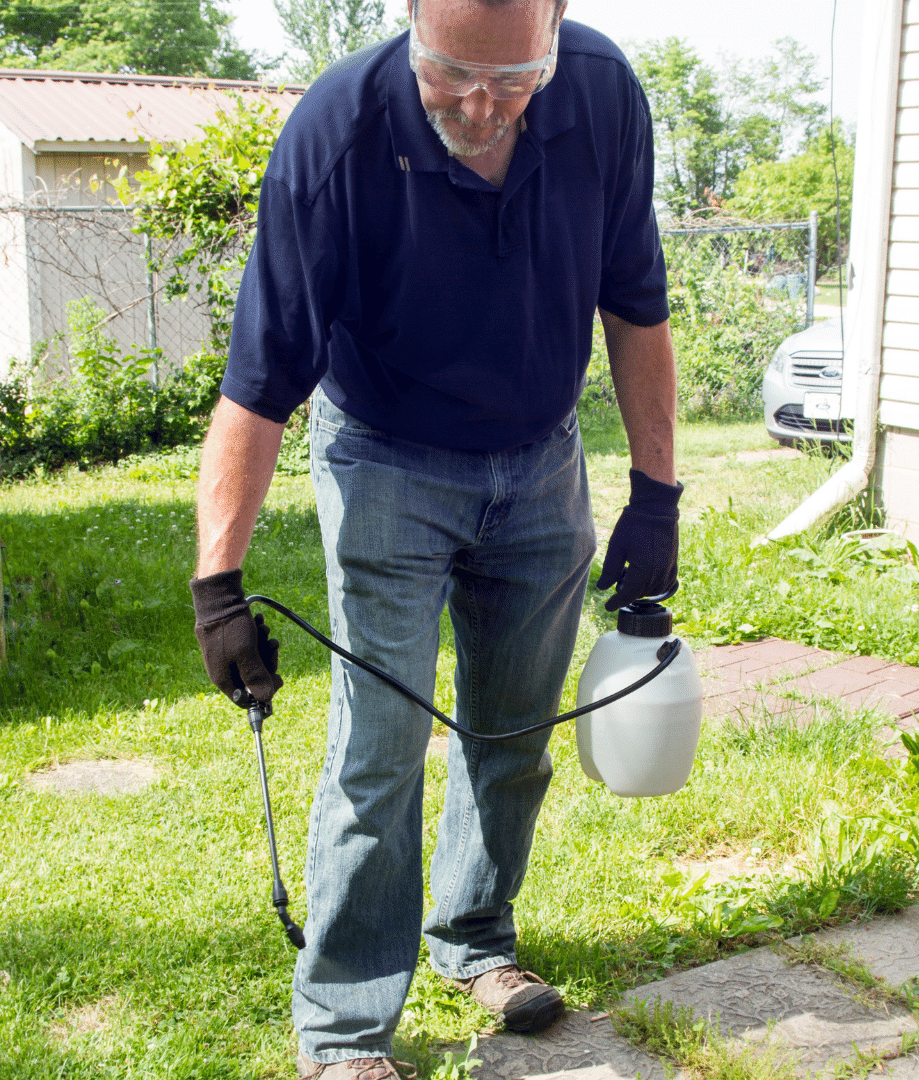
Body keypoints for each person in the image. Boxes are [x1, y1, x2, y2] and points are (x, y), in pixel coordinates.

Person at [188, 1, 683, 1077]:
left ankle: (473, 939)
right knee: (380, 749)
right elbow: (258, 386)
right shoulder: (336, 135)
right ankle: (346, 1029)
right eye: (450, 72)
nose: (480, 103)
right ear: (409, 21)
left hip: (541, 455)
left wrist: (659, 495)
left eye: (512, 79)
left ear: (555, 32)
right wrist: (217, 584)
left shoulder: (599, 95)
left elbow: (636, 305)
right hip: (385, 457)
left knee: (512, 731)